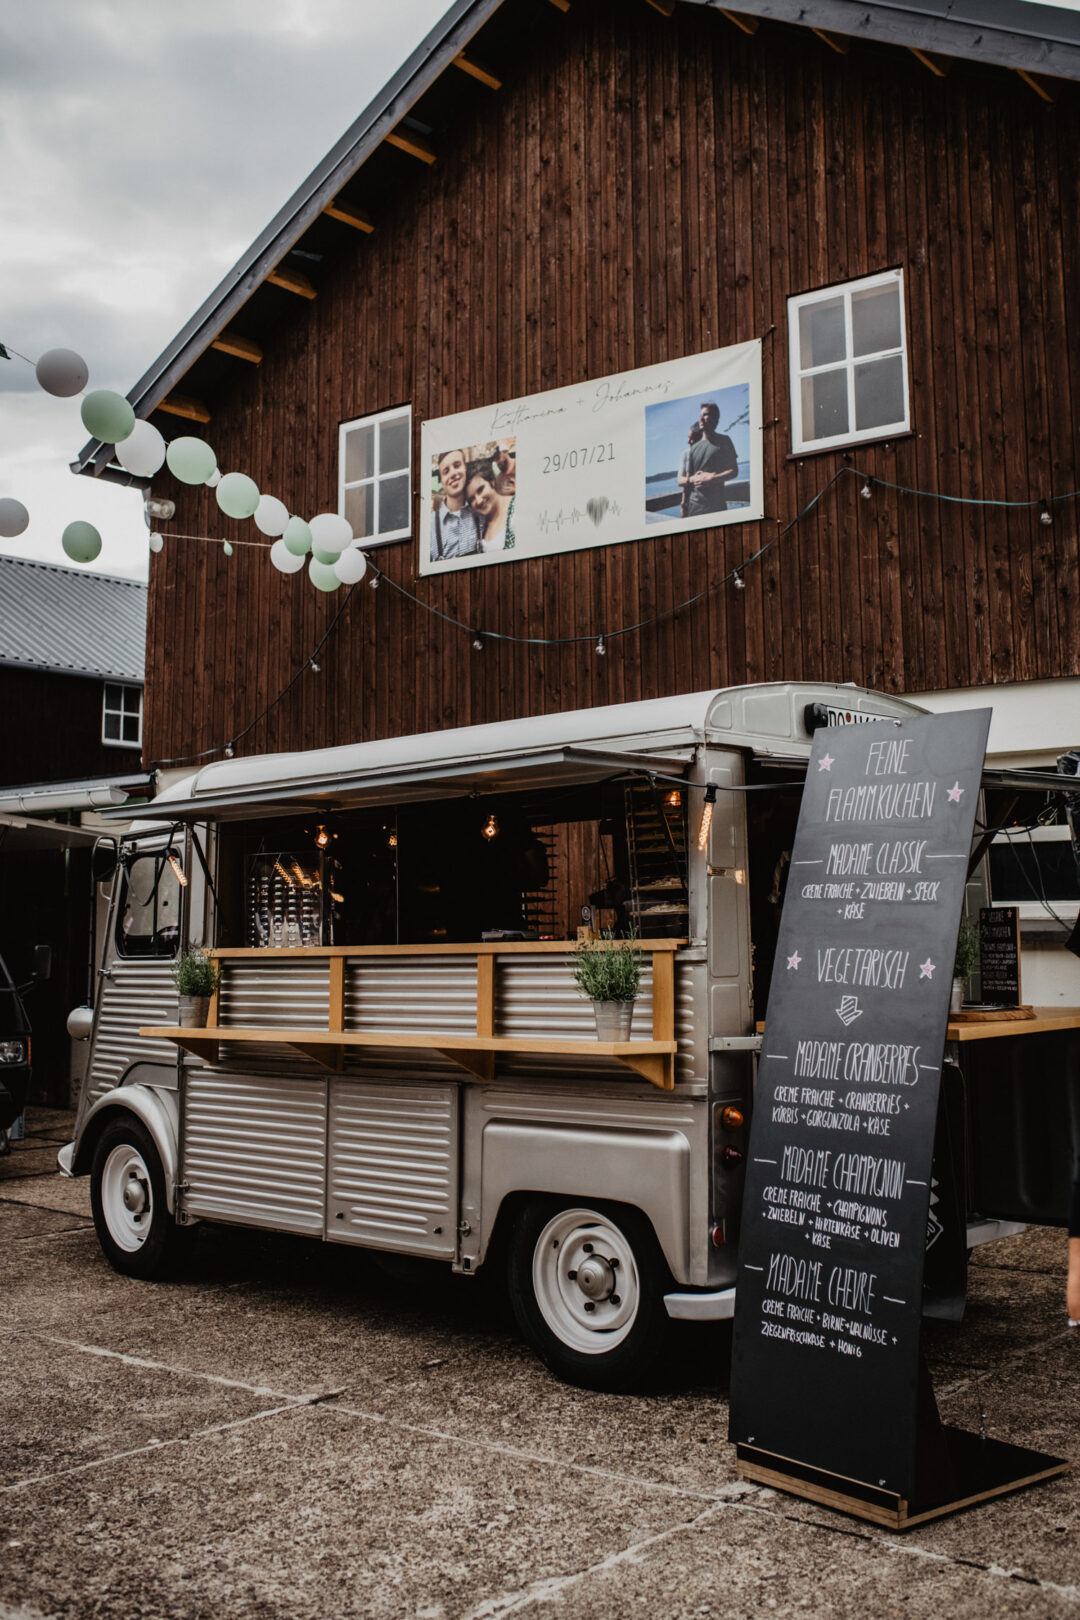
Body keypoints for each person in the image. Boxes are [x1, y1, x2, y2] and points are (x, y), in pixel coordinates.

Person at [684, 401, 738, 518]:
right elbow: (689, 481)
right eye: (700, 415)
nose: (701, 419)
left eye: (705, 415)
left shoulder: (724, 441)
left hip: (716, 507)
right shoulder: (693, 448)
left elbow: (734, 471)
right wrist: (684, 506)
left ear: (715, 419)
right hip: (694, 508)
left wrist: (712, 478)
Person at [430, 448, 484, 561]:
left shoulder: (482, 512)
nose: (453, 473)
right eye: (446, 471)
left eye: (457, 465)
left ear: (465, 468)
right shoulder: (430, 527)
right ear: (441, 481)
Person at [465, 465, 515, 553]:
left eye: (480, 490)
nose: (479, 501)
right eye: (472, 499)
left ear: (492, 481)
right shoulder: (481, 524)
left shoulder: (515, 507)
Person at [677, 423, 704, 517]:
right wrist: (683, 506)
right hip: (692, 504)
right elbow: (681, 482)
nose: (688, 441)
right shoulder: (686, 454)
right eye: (688, 438)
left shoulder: (708, 451)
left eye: (692, 438)